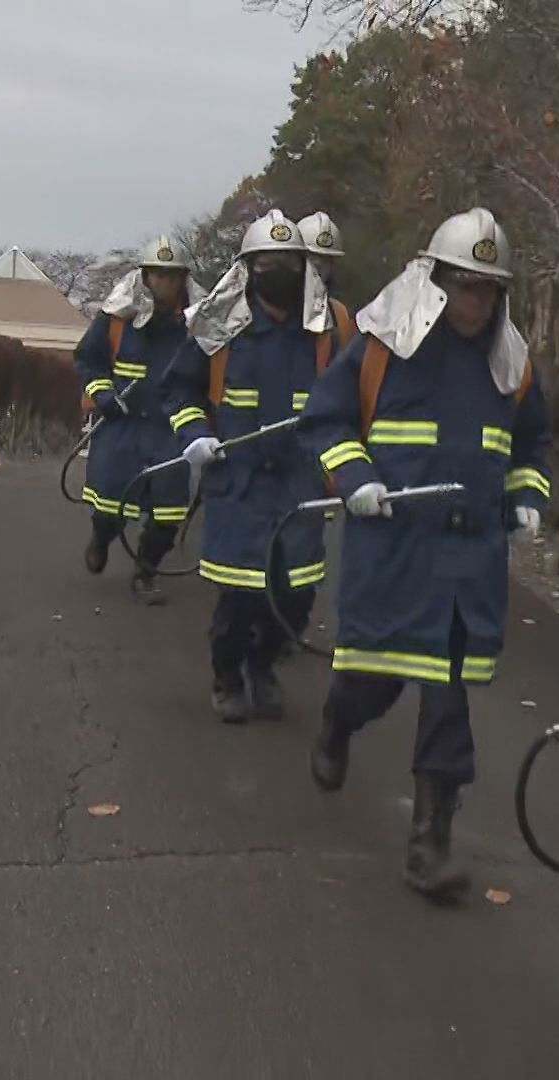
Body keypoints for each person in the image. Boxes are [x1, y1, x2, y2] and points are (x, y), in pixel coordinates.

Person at [301, 207, 552, 900]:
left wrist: (528, 496)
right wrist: (355, 479)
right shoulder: (382, 344)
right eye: (463, 286)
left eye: (487, 289)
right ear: (436, 282)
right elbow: (327, 419)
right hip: (392, 551)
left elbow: (532, 443)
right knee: (373, 680)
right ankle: (337, 720)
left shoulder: (513, 363)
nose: (474, 302)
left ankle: (430, 844)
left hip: (468, 565)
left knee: (449, 706)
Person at [165, 209, 348, 721]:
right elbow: (180, 390)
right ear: (247, 267)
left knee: (294, 597)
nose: (280, 270)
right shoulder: (219, 327)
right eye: (267, 261)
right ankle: (227, 676)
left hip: (298, 485)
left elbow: (350, 399)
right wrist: (196, 436)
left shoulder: (324, 330)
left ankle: (263, 665)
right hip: (238, 483)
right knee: (240, 597)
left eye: (291, 261)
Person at [74, 235, 195, 605]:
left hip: (169, 430)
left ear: (183, 280)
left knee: (169, 513)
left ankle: (146, 571)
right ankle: (101, 537)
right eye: (157, 276)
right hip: (121, 427)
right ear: (144, 277)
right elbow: (87, 359)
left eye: (172, 277)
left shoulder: (196, 326)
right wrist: (102, 394)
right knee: (109, 504)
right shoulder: (115, 319)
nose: (164, 284)